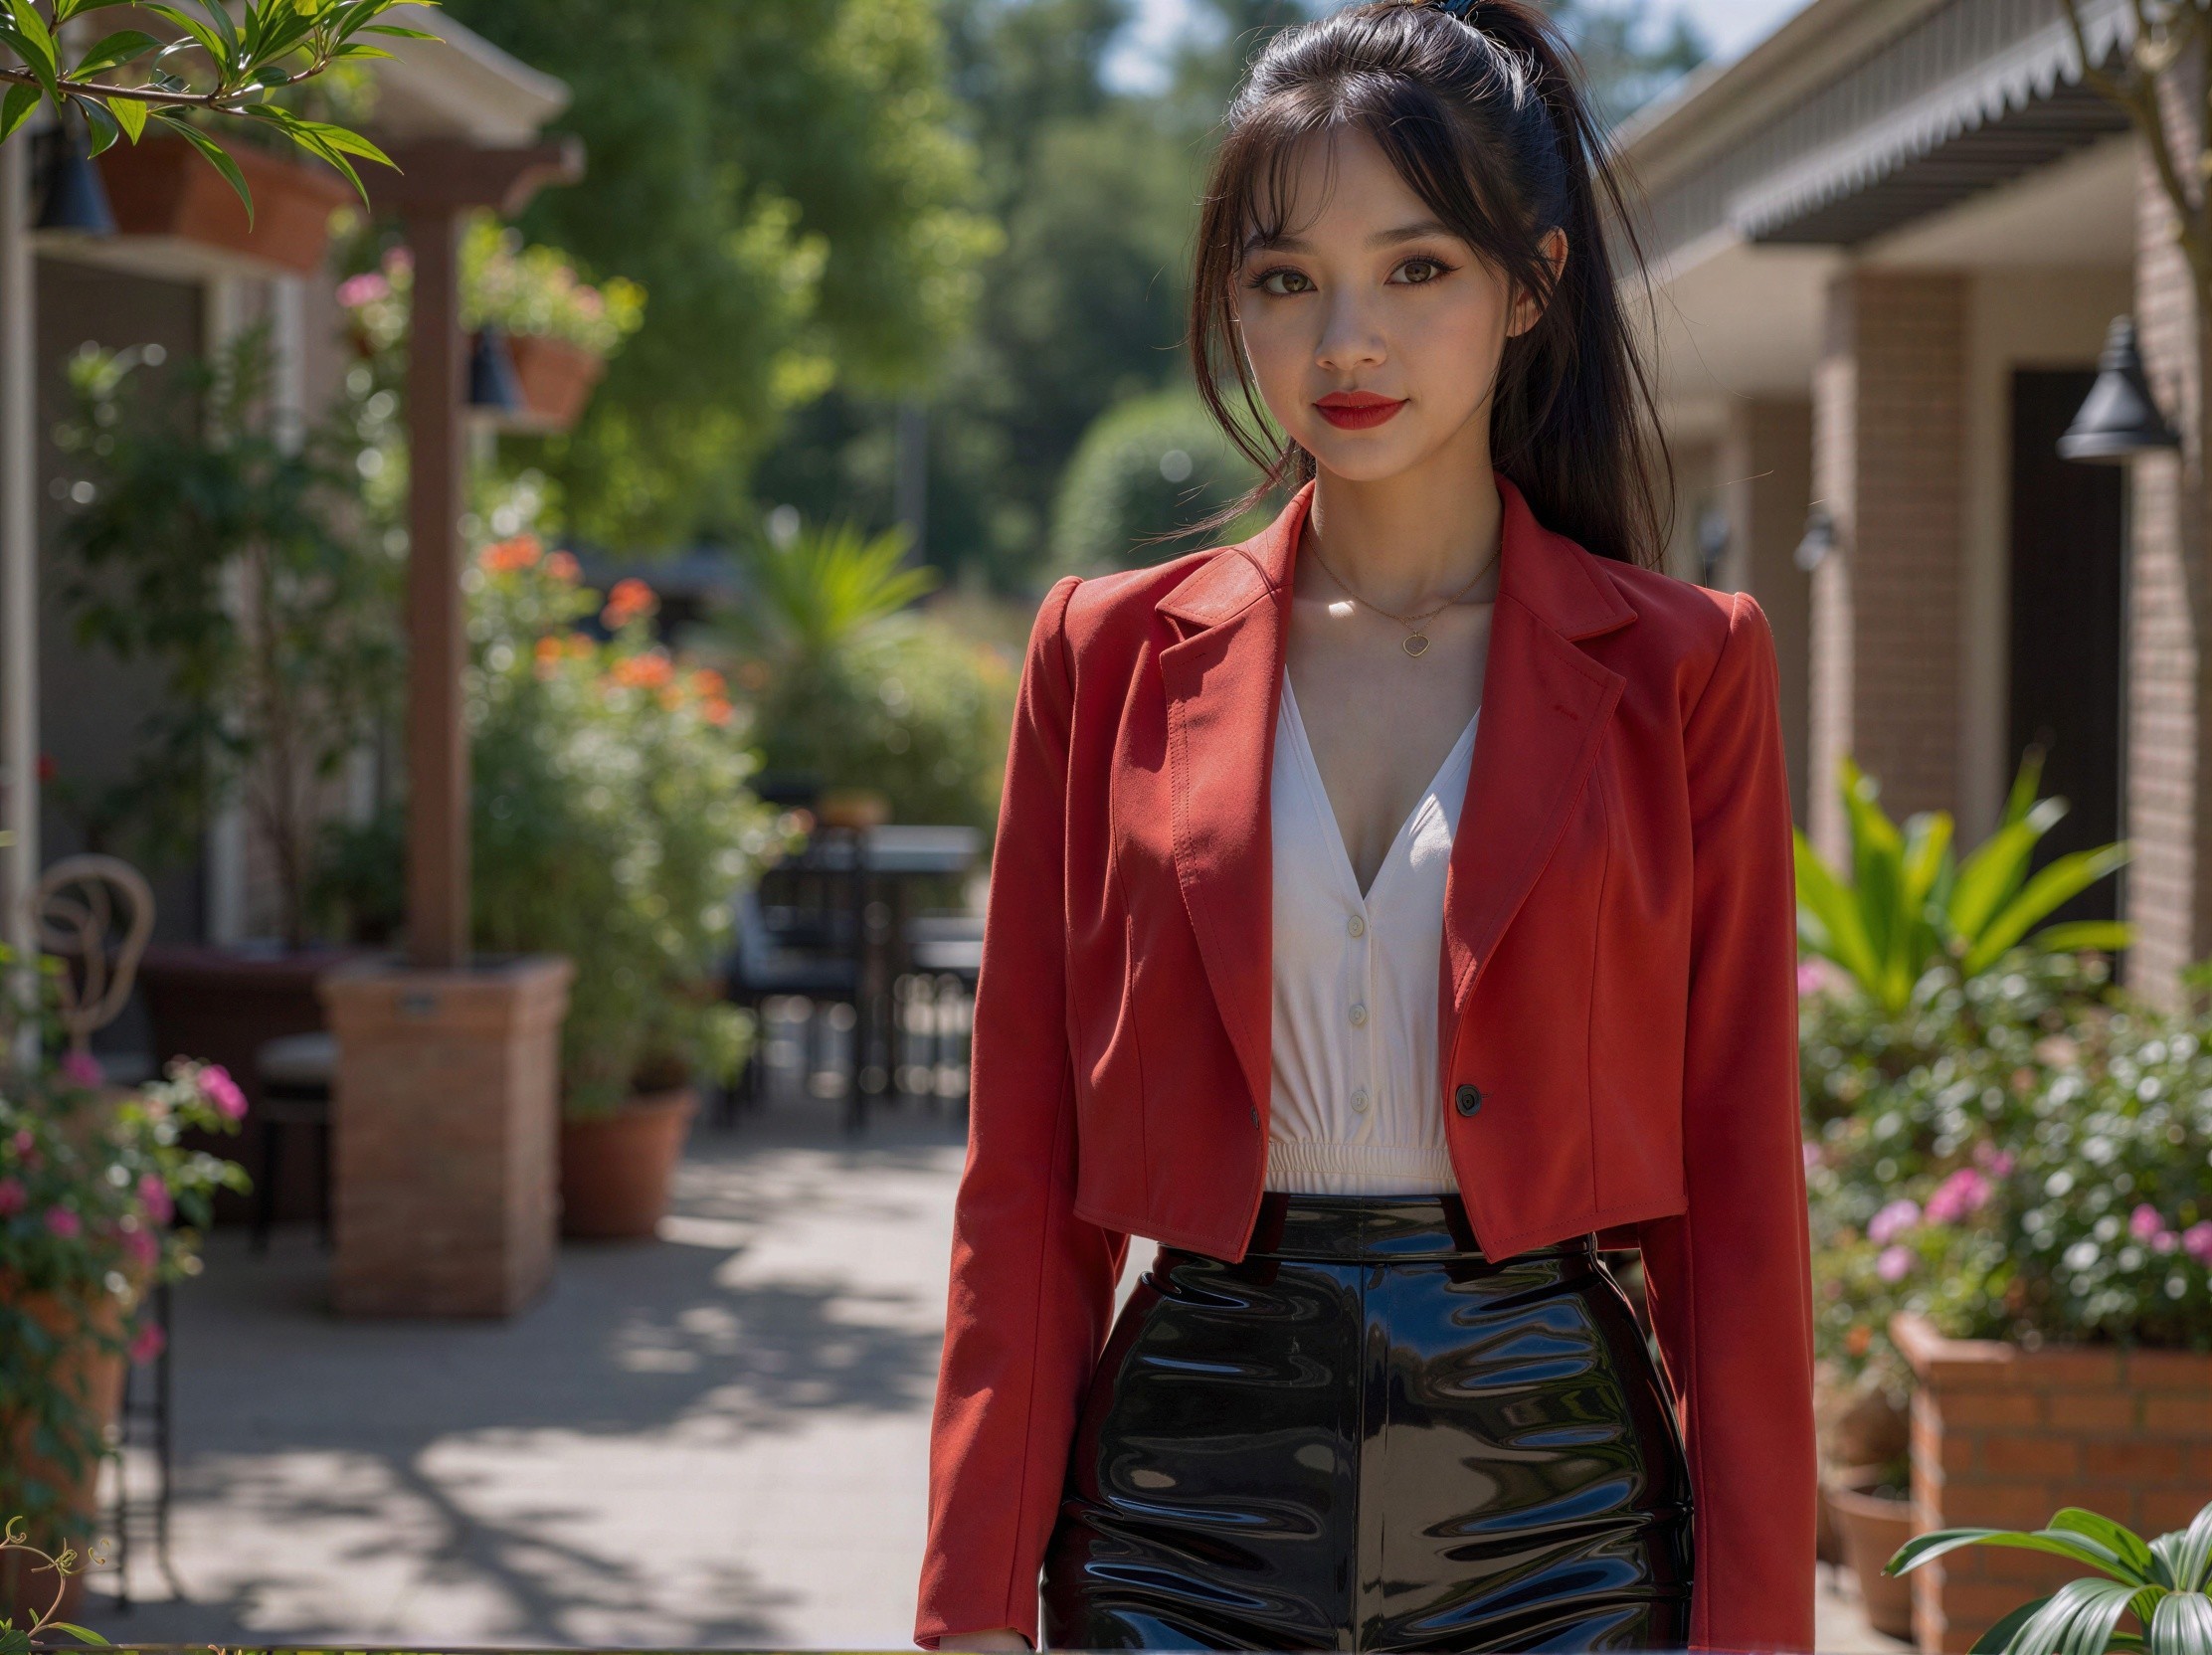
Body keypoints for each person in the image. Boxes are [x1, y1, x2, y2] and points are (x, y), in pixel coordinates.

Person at [914, 1, 1815, 1649]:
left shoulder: (1689, 671)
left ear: (1530, 281)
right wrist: (973, 1594)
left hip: (1563, 1513)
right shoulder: (1103, 656)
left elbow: (1741, 1195)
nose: (1346, 339)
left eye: (1416, 268)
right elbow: (1026, 1174)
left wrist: (1757, 1623)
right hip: (1180, 1502)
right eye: (1284, 279)